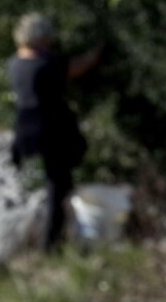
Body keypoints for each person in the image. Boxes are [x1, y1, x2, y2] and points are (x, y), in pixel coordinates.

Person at [7, 13, 102, 251]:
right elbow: (79, 67)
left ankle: (55, 236)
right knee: (57, 185)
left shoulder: (15, 63)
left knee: (55, 182)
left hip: (26, 127)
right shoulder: (47, 63)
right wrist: (98, 50)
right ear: (39, 37)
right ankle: (50, 245)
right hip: (52, 129)